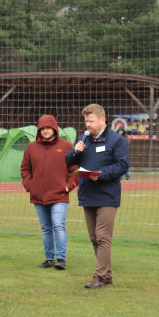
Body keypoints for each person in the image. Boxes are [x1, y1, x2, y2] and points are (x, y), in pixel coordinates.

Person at [65, 104, 129, 289]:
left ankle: (99, 277)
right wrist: (74, 151)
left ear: (102, 120)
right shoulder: (84, 138)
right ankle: (107, 275)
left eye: (91, 121)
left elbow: (122, 165)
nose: (87, 124)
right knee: (94, 238)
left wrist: (100, 173)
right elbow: (69, 161)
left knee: (103, 237)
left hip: (107, 195)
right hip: (87, 194)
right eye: (86, 121)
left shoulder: (116, 140)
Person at [21, 115, 77, 270]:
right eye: (43, 128)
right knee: (46, 228)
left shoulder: (66, 146)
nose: (46, 131)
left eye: (48, 128)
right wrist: (29, 185)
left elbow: (75, 170)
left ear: (55, 128)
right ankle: (49, 258)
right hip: (38, 195)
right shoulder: (31, 147)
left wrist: (69, 186)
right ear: (39, 130)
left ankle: (61, 258)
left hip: (59, 195)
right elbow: (25, 168)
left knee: (58, 225)